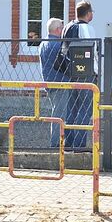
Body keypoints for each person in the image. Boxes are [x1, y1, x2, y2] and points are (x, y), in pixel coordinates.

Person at [61, 0, 99, 150]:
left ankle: (69, 142)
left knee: (72, 108)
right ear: (88, 13)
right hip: (86, 73)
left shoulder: (68, 27)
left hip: (69, 72)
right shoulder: (87, 29)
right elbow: (92, 52)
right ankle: (79, 144)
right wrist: (96, 72)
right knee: (85, 109)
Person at [39, 18, 70, 147]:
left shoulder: (44, 43)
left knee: (58, 112)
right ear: (58, 30)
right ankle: (56, 144)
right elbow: (64, 64)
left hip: (49, 82)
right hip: (60, 82)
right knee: (60, 114)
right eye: (62, 28)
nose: (63, 30)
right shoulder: (57, 45)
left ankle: (58, 142)